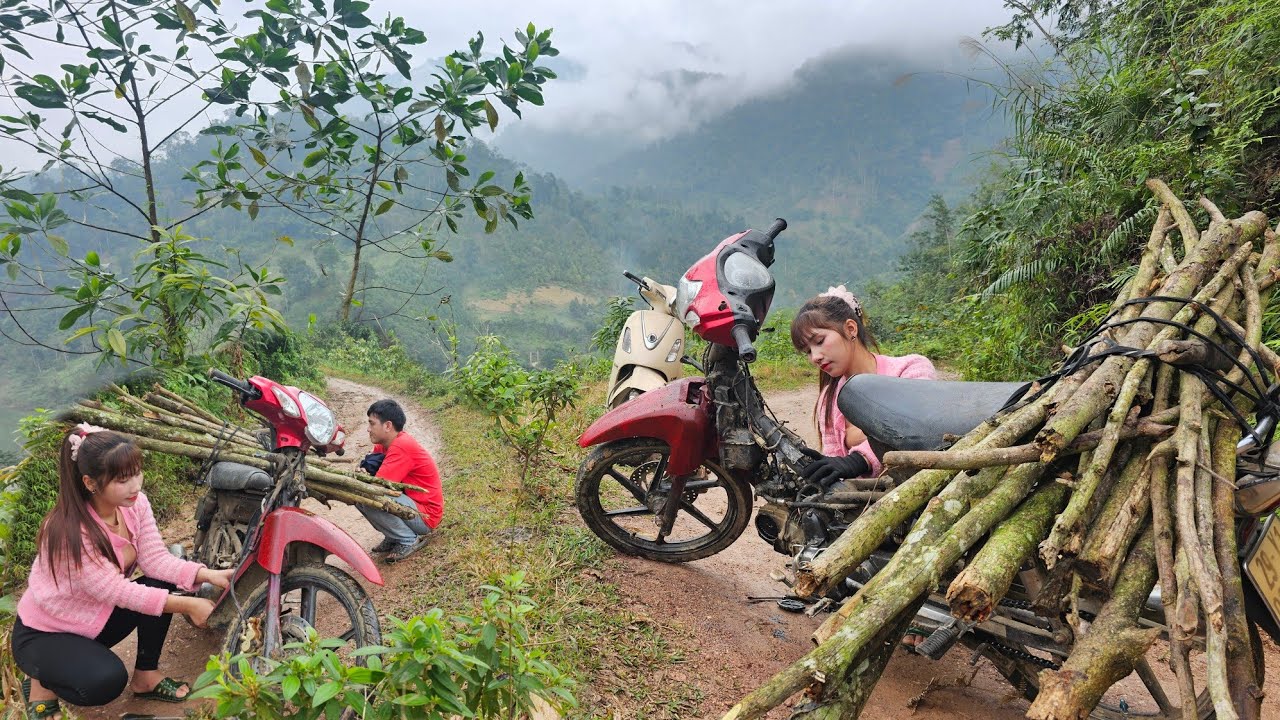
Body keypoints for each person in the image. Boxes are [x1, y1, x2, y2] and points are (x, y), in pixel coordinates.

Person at [12, 425, 234, 719]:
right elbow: (118, 590)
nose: (136, 486)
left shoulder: (134, 504)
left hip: (94, 617)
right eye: (122, 479)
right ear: (90, 483)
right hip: (46, 633)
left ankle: (146, 676)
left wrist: (206, 574)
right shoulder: (67, 532)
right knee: (105, 682)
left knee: (161, 580)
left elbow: (155, 559)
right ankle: (42, 681)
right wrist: (189, 604)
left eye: (137, 472)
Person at [790, 285, 937, 484]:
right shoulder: (829, 399)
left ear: (851, 328)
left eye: (819, 341)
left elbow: (915, 430)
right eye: (807, 351)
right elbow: (834, 460)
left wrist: (859, 459)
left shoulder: (911, 369)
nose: (815, 357)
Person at [357, 399, 443, 563]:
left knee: (367, 496)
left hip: (425, 515)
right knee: (357, 495)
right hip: (411, 505)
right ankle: (393, 535)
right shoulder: (384, 444)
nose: (368, 429)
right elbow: (368, 468)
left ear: (388, 426)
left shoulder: (401, 446)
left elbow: (376, 487)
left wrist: (364, 479)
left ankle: (407, 539)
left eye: (372, 424)